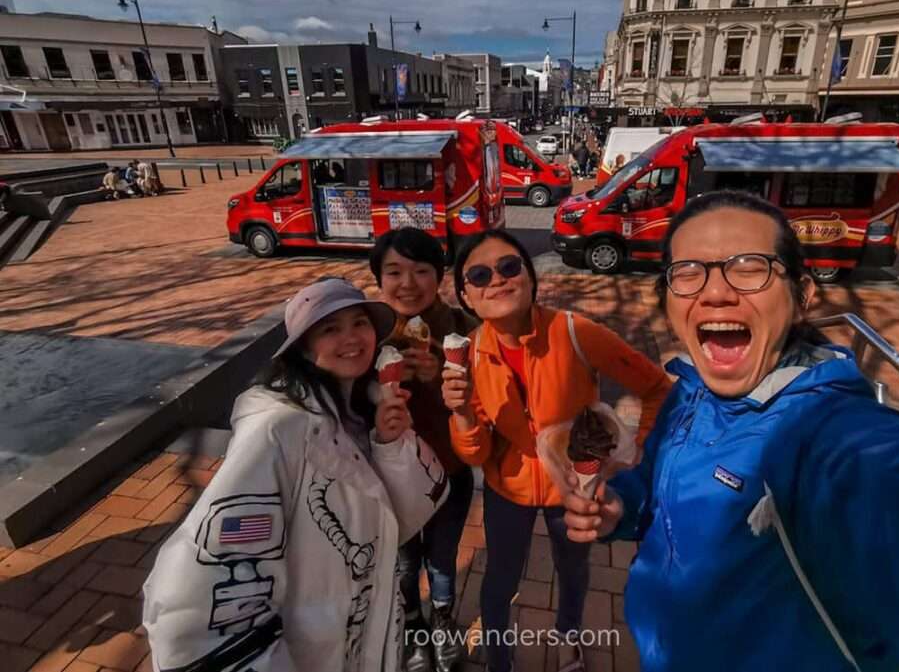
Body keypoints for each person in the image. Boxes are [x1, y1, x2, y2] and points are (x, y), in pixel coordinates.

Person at [562, 190, 899, 672]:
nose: (715, 292)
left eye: (748, 267)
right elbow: (657, 481)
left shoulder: (818, 433)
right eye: (689, 272)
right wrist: (623, 509)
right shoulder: (691, 394)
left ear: (802, 295)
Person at [143, 279, 451, 672]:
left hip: (360, 635)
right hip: (307, 651)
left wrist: (389, 444)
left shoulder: (361, 408)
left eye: (360, 323)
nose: (352, 338)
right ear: (303, 348)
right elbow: (207, 579)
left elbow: (400, 522)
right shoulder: (277, 428)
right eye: (330, 329)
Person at [441, 230, 672, 672]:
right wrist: (462, 414)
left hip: (576, 482)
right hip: (506, 486)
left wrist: (633, 457)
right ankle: (499, 657)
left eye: (510, 267)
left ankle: (569, 637)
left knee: (573, 570)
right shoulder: (469, 356)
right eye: (480, 274)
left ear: (530, 278)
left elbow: (657, 387)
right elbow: (474, 453)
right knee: (500, 578)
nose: (498, 280)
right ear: (467, 296)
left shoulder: (574, 332)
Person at [369, 228, 479, 672]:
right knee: (402, 560)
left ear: (440, 276)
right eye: (394, 271)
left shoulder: (462, 328)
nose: (408, 283)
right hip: (389, 478)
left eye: (421, 271)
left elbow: (488, 401)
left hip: (449, 472)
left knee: (442, 557)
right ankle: (413, 626)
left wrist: (444, 379)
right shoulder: (366, 333)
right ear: (379, 278)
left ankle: (443, 620)